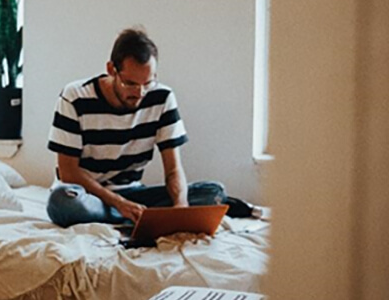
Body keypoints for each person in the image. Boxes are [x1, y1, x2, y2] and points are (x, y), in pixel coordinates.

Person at [46, 27, 256, 227]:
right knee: (62, 202)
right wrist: (119, 203)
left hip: (134, 194)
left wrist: (180, 208)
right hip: (88, 196)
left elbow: (173, 169)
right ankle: (131, 216)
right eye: (131, 84)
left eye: (148, 83)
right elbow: (68, 172)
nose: (140, 93)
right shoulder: (74, 97)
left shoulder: (162, 98)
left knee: (213, 192)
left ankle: (135, 217)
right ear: (111, 70)